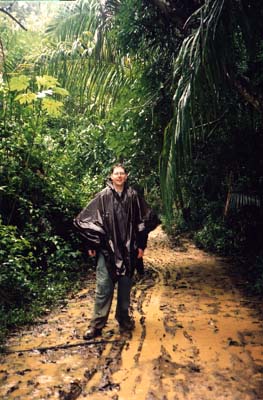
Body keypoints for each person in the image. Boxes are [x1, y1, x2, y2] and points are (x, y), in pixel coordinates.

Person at [73, 163, 159, 339]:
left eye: (122, 173)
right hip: (107, 251)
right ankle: (96, 325)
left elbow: (144, 222)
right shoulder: (102, 197)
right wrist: (91, 245)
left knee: (125, 287)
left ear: (126, 176)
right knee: (103, 287)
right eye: (116, 173)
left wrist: (141, 246)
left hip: (129, 250)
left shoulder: (133, 196)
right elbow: (87, 221)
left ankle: (124, 320)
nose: (119, 176)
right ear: (111, 177)